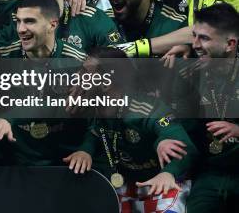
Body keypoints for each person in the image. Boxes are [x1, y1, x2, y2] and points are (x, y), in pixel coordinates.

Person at [74, 48, 197, 213]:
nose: (77, 77)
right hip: (126, 184)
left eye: (85, 72)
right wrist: (85, 150)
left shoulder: (148, 110)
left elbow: (182, 141)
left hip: (162, 183)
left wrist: (168, 171)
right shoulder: (94, 109)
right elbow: (95, 132)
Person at [0, 0, 88, 166]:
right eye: (18, 21)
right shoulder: (3, 58)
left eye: (30, 21)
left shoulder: (78, 63)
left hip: (64, 164)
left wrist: (86, 150)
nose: (21, 29)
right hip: (14, 162)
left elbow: (97, 118)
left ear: (52, 25)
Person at [175, 4, 239, 212]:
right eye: (194, 36)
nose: (194, 45)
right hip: (210, 173)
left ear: (230, 44)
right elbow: (184, 128)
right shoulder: (193, 76)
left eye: (204, 38)